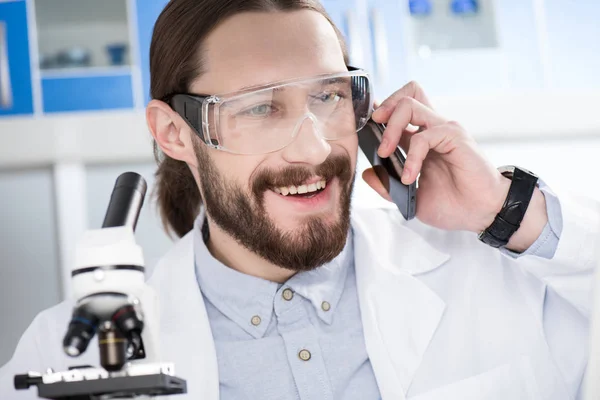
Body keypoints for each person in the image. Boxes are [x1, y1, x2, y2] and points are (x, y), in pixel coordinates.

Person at [2, 0, 599, 399]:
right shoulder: (65, 354)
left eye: (329, 97)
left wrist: (506, 209)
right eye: (260, 108)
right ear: (174, 134)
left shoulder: (491, 273)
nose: (313, 148)